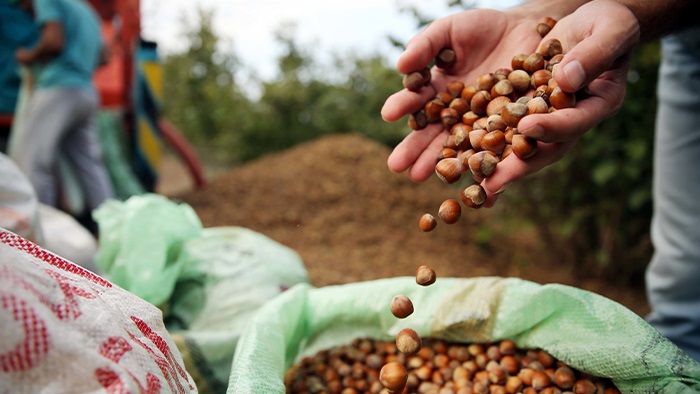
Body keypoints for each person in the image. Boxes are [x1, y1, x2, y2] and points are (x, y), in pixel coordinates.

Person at [381, 0, 700, 361]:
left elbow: (495, 97)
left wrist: (628, 11)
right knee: (686, 282)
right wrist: (540, 14)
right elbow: (494, 96)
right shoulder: (493, 104)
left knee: (688, 276)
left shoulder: (500, 104)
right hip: (687, 44)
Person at [9, 0, 114, 234]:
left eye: (26, 6)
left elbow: (54, 41)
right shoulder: (87, 12)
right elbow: (105, 56)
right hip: (86, 92)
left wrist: (29, 55)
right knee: (91, 165)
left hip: (58, 88)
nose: (29, 10)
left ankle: (40, 236)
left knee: (34, 162)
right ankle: (111, 229)